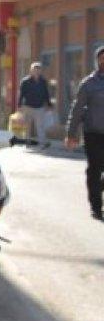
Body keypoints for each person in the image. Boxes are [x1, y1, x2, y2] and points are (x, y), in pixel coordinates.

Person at [65, 45, 104, 220]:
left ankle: (97, 188)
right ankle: (96, 205)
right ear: (97, 61)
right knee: (95, 169)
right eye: (102, 58)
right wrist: (71, 134)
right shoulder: (89, 83)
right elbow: (77, 109)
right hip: (94, 133)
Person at [17, 61, 53, 147]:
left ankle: (42, 142)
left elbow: (46, 93)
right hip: (28, 106)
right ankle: (27, 141)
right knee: (28, 126)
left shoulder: (43, 81)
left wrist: (49, 104)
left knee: (40, 126)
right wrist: (19, 106)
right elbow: (21, 94)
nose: (37, 71)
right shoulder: (25, 81)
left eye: (38, 69)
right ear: (31, 71)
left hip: (39, 107)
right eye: (35, 69)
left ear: (40, 71)